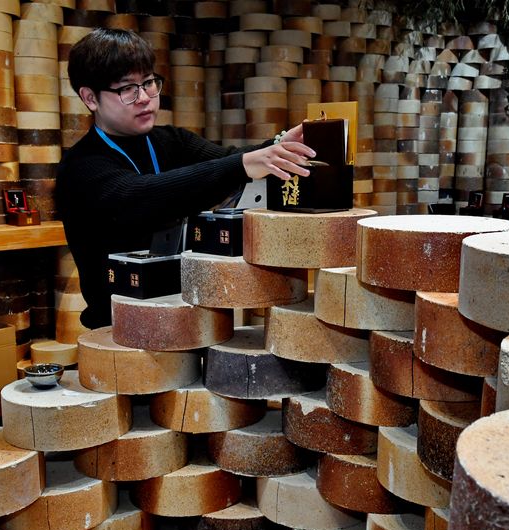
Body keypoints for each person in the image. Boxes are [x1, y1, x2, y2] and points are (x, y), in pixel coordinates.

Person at [56, 28, 315, 329]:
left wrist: (280, 145)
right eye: (128, 89)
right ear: (90, 98)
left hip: (188, 318)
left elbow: (227, 158)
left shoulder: (170, 140)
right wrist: (244, 164)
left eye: (148, 82)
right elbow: (139, 196)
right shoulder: (81, 165)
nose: (145, 98)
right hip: (117, 328)